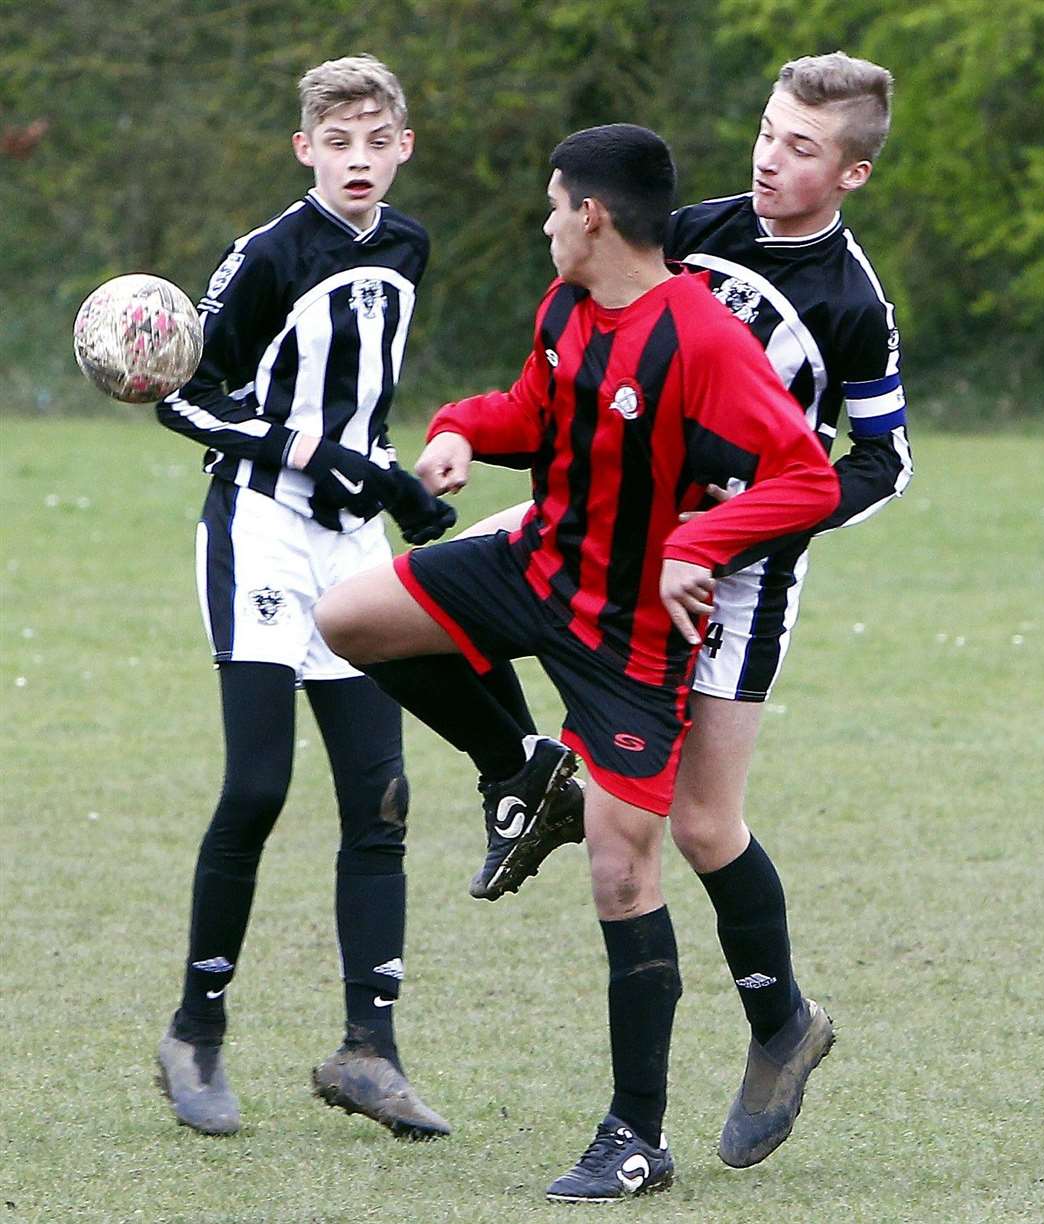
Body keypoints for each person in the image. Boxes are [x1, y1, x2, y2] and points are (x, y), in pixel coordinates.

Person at [314, 123, 840, 1200]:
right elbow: (536, 415)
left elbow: (807, 476)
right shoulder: (567, 309)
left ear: (591, 214)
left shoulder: (698, 339)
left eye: (555, 205)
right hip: (535, 561)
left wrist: (695, 547)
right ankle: (521, 766)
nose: (547, 222)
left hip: (629, 636)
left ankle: (635, 1136)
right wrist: (464, 428)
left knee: (622, 862)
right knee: (351, 618)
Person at [457, 51, 913, 1172]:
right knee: (443, 592)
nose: (771, 157)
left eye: (802, 147)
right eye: (767, 130)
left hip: (742, 576)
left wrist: (738, 528)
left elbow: (880, 462)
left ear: (850, 172)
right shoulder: (694, 230)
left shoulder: (851, 305)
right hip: (612, 530)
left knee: (705, 826)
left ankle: (780, 1026)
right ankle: (532, 768)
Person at [153, 54, 456, 1141]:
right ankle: (196, 1031)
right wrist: (319, 457)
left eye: (377, 140)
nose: (359, 159)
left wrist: (396, 483)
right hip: (262, 535)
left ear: (403, 145)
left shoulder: (412, 245)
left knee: (383, 799)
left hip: (351, 542)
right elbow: (187, 398)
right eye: (338, 142)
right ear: (306, 149)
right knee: (259, 787)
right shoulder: (268, 254)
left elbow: (363, 402)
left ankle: (369, 1051)